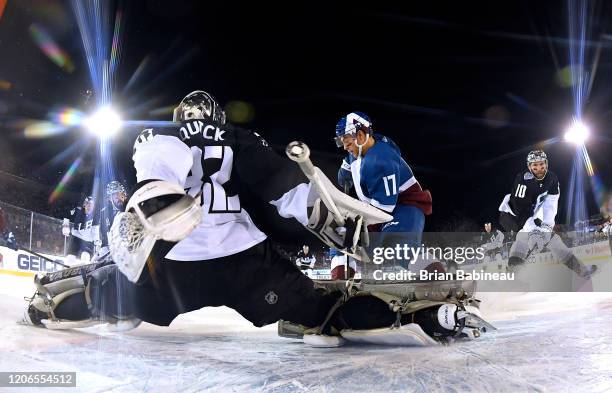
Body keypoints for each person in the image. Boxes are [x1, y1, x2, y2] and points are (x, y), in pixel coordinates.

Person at [24, 91, 490, 347]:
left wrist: (153, 204)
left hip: (176, 261)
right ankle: (425, 314)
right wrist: (317, 208)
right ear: (217, 116)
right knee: (319, 312)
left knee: (113, 294)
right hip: (243, 258)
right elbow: (281, 186)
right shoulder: (237, 136)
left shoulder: (161, 134)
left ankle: (54, 301)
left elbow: (156, 172)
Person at [335, 111, 432, 269]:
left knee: (398, 246)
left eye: (346, 141)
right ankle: (340, 278)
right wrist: (346, 168)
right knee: (340, 239)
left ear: (360, 135)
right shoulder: (363, 146)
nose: (345, 146)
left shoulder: (380, 161)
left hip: (403, 206)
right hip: (377, 208)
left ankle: (439, 276)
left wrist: (358, 225)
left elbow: (383, 209)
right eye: (342, 141)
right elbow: (350, 159)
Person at [498, 150, 595, 277]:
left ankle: (581, 270)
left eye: (541, 164)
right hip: (510, 214)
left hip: (532, 213)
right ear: (529, 167)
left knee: (553, 239)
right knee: (524, 237)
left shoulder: (552, 178)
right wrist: (533, 231)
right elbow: (521, 210)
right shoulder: (523, 180)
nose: (539, 169)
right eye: (535, 165)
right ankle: (512, 273)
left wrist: (546, 227)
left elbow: (551, 204)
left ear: (546, 164)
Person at [96, 180, 129, 260]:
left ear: (124, 194)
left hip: (128, 251)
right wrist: (102, 252)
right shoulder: (104, 212)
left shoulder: (130, 206)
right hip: (111, 251)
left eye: (120, 193)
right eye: (114, 195)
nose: (118, 197)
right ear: (109, 198)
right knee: (95, 261)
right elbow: (104, 238)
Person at [65, 195, 101, 264]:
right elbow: (67, 214)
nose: (89, 206)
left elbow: (95, 231)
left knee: (85, 256)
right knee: (70, 258)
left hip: (88, 241)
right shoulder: (77, 211)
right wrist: (65, 225)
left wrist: (97, 243)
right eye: (87, 204)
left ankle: (84, 272)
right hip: (75, 238)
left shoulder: (95, 216)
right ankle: (67, 269)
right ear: (84, 204)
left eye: (91, 205)